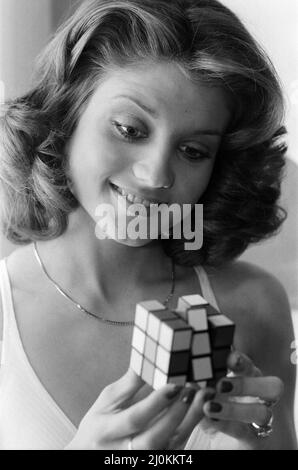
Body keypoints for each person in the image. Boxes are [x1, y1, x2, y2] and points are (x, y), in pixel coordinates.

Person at [0, 0, 296, 450]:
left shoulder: (255, 307)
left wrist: (259, 442)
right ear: (66, 115)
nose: (156, 175)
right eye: (129, 129)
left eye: (194, 151)